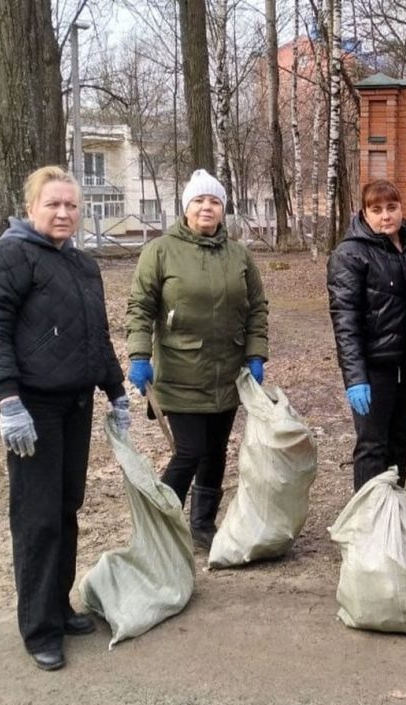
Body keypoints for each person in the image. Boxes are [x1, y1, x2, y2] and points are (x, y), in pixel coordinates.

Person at [0, 165, 130, 671]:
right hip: (33, 408)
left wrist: (116, 391)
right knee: (37, 518)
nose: (63, 213)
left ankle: (59, 608)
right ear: (31, 208)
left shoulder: (82, 264)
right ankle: (39, 628)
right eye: (53, 204)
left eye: (71, 205)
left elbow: (96, 333)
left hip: (76, 404)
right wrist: (8, 399)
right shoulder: (10, 256)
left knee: (65, 508)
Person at [126, 169, 269, 550]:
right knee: (189, 452)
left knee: (216, 451)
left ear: (223, 209)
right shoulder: (160, 251)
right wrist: (139, 354)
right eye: (199, 201)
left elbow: (257, 308)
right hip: (180, 371)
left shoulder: (239, 255)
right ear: (186, 207)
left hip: (228, 371)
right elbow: (140, 307)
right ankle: (160, 528)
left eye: (215, 201)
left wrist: (255, 353)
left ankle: (202, 526)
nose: (207, 207)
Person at [328, 179, 406, 491]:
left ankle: (393, 511)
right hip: (374, 368)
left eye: (392, 207)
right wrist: (355, 378)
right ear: (364, 213)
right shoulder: (350, 254)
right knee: (372, 445)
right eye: (376, 209)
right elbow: (346, 321)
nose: (386, 216)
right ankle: (369, 516)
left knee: (400, 441)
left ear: (401, 209)